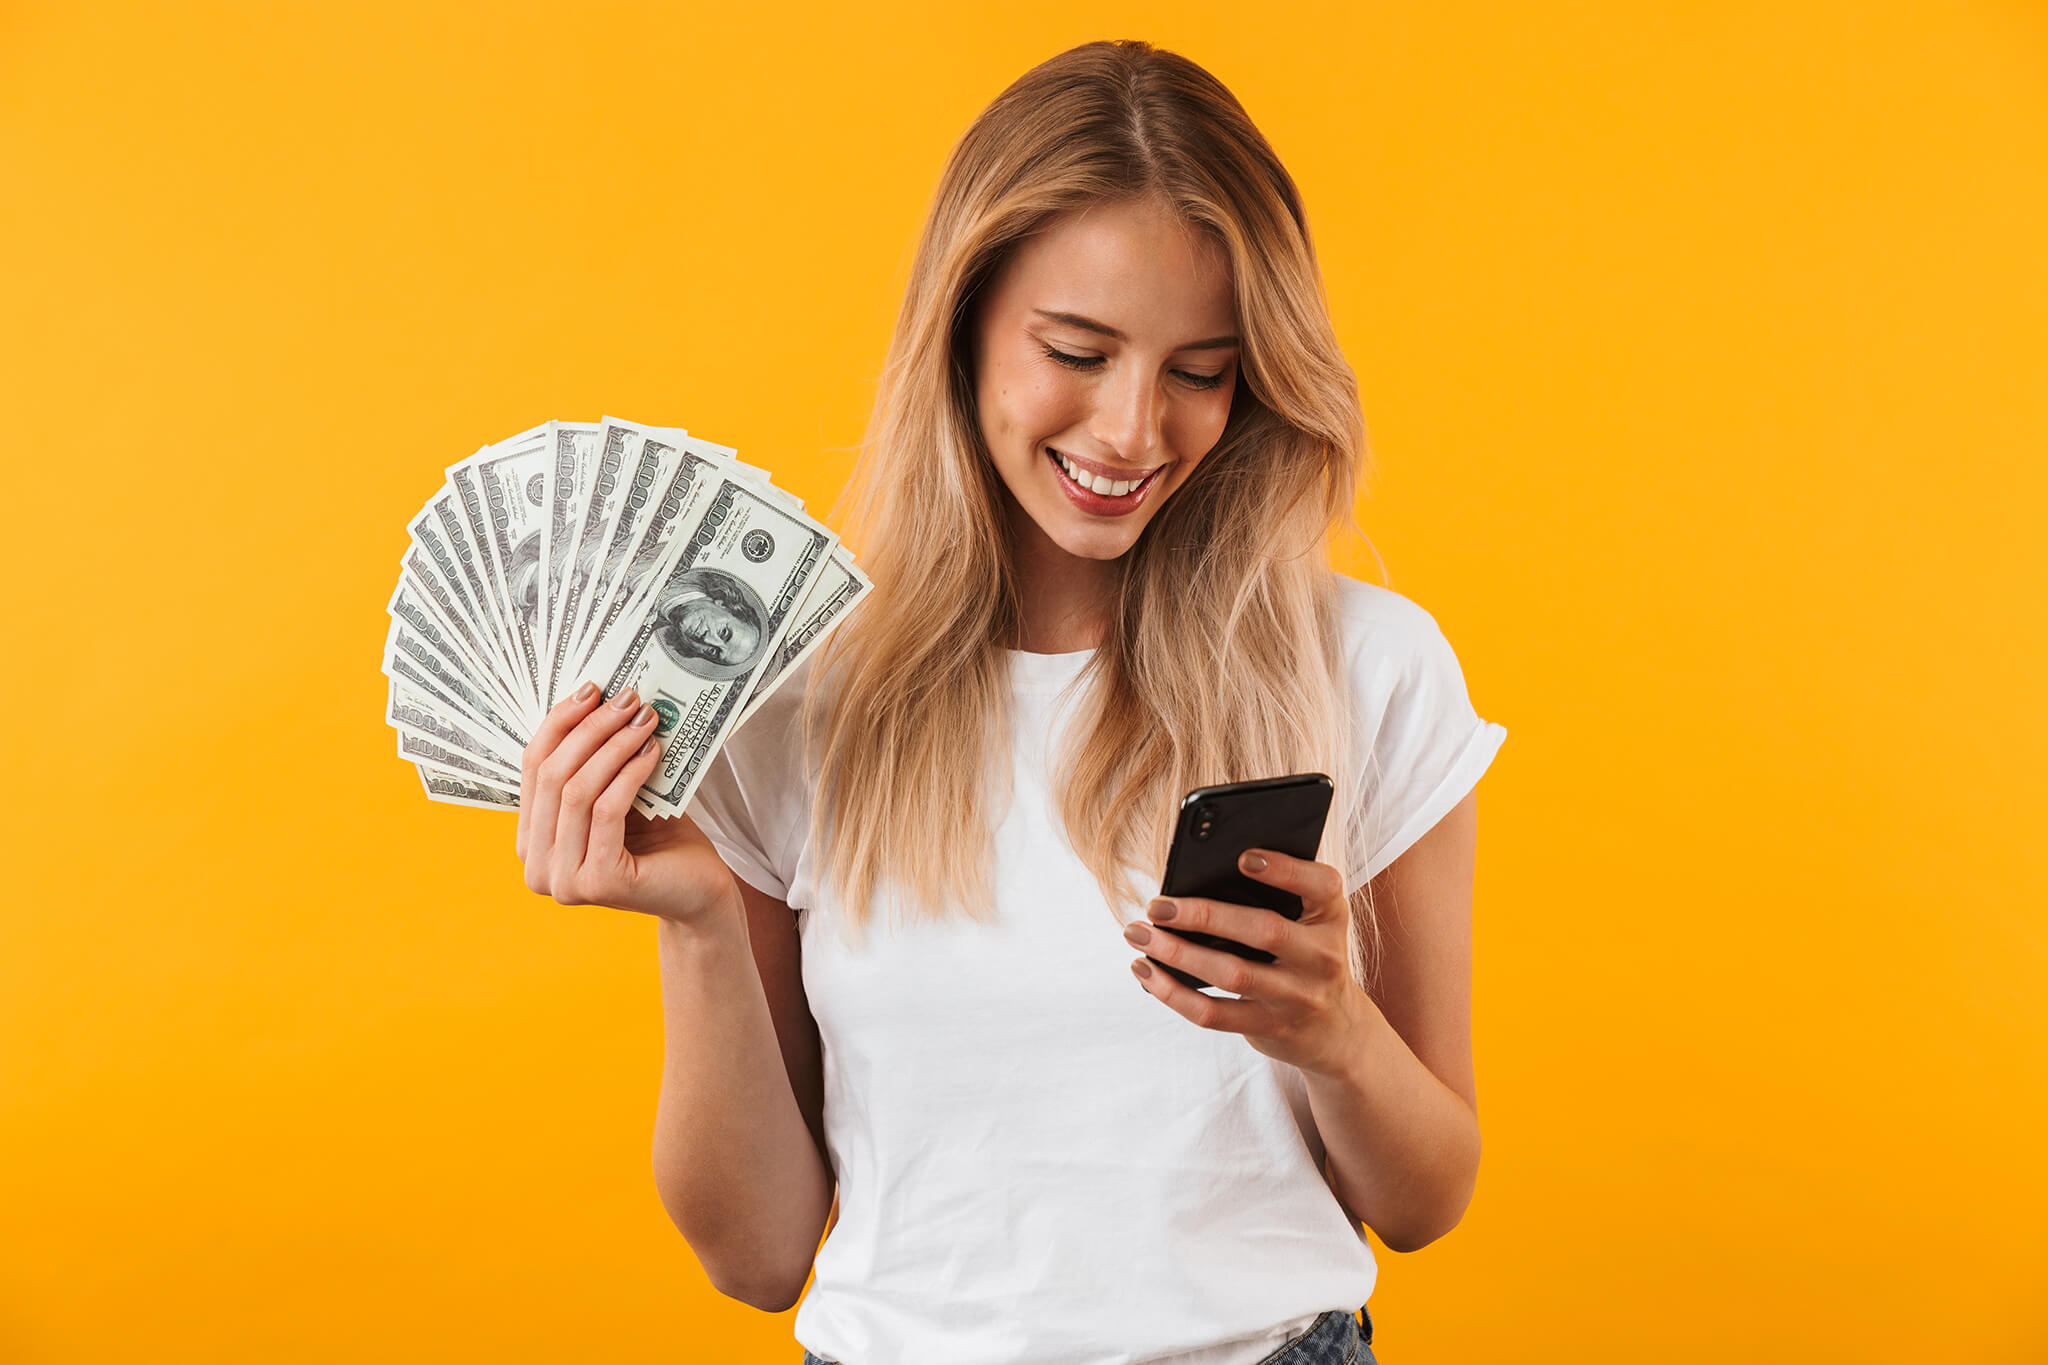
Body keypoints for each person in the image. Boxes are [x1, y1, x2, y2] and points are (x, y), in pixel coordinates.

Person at [514, 38, 1507, 1365]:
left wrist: (1334, 1033)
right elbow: (753, 1254)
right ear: (968, 326)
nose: (1132, 430)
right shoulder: (800, 695)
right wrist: (696, 913)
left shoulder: (1367, 669)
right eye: (1078, 351)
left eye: (1200, 369)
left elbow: (1427, 1196)